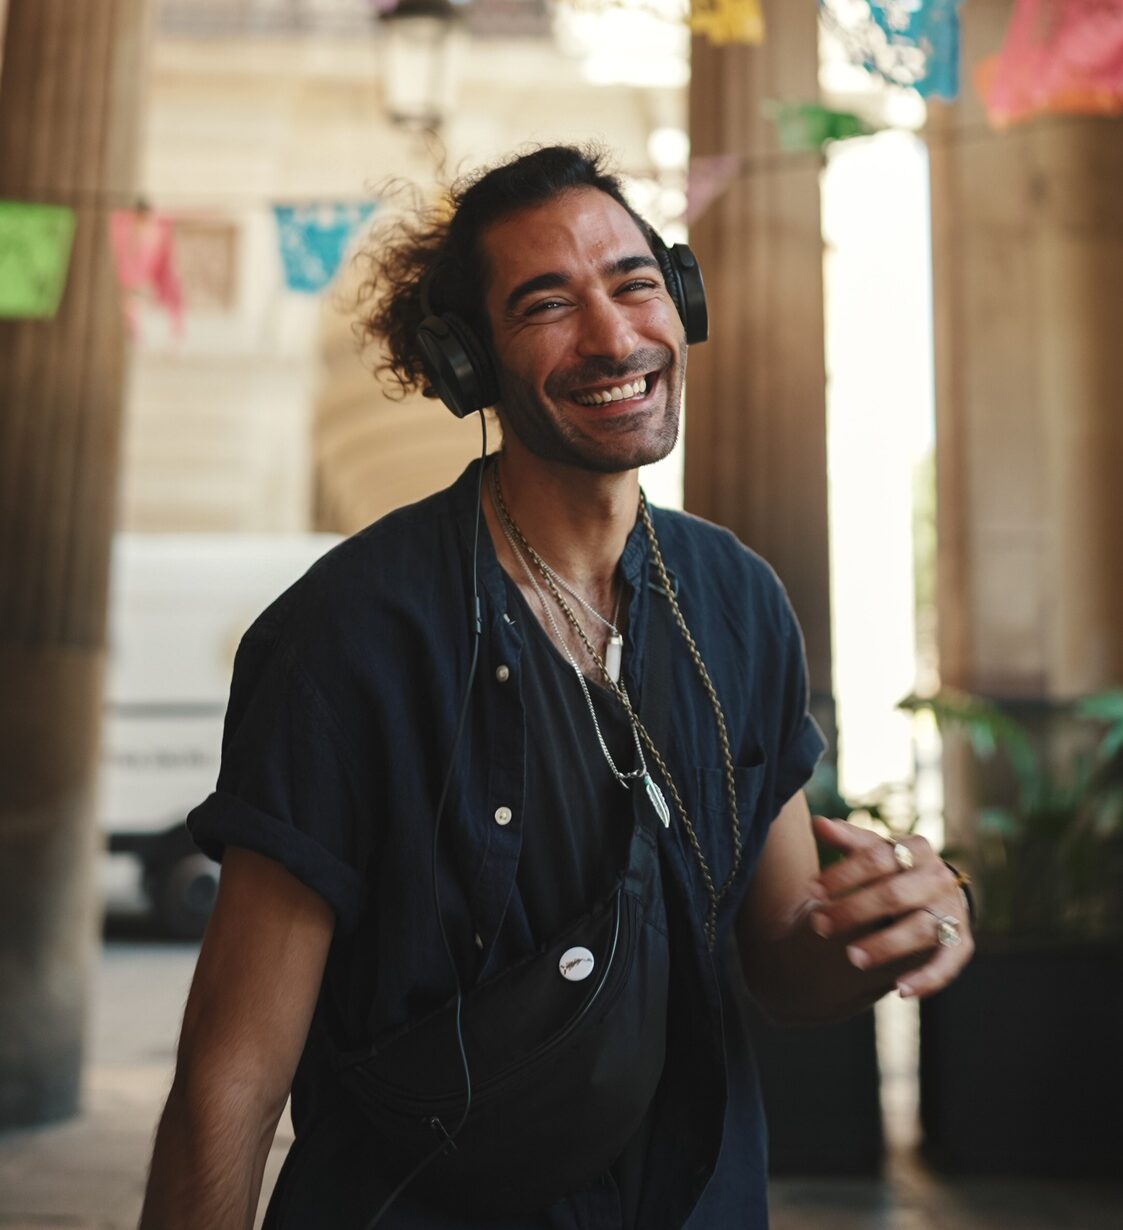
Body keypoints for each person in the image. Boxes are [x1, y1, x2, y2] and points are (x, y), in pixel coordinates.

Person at [139, 144, 974, 1230]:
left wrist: (897, 924)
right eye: (547, 305)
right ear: (465, 364)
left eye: (634, 284)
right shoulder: (346, 635)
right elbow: (232, 1077)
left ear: (680, 301)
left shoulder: (738, 600)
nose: (616, 336)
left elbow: (777, 960)